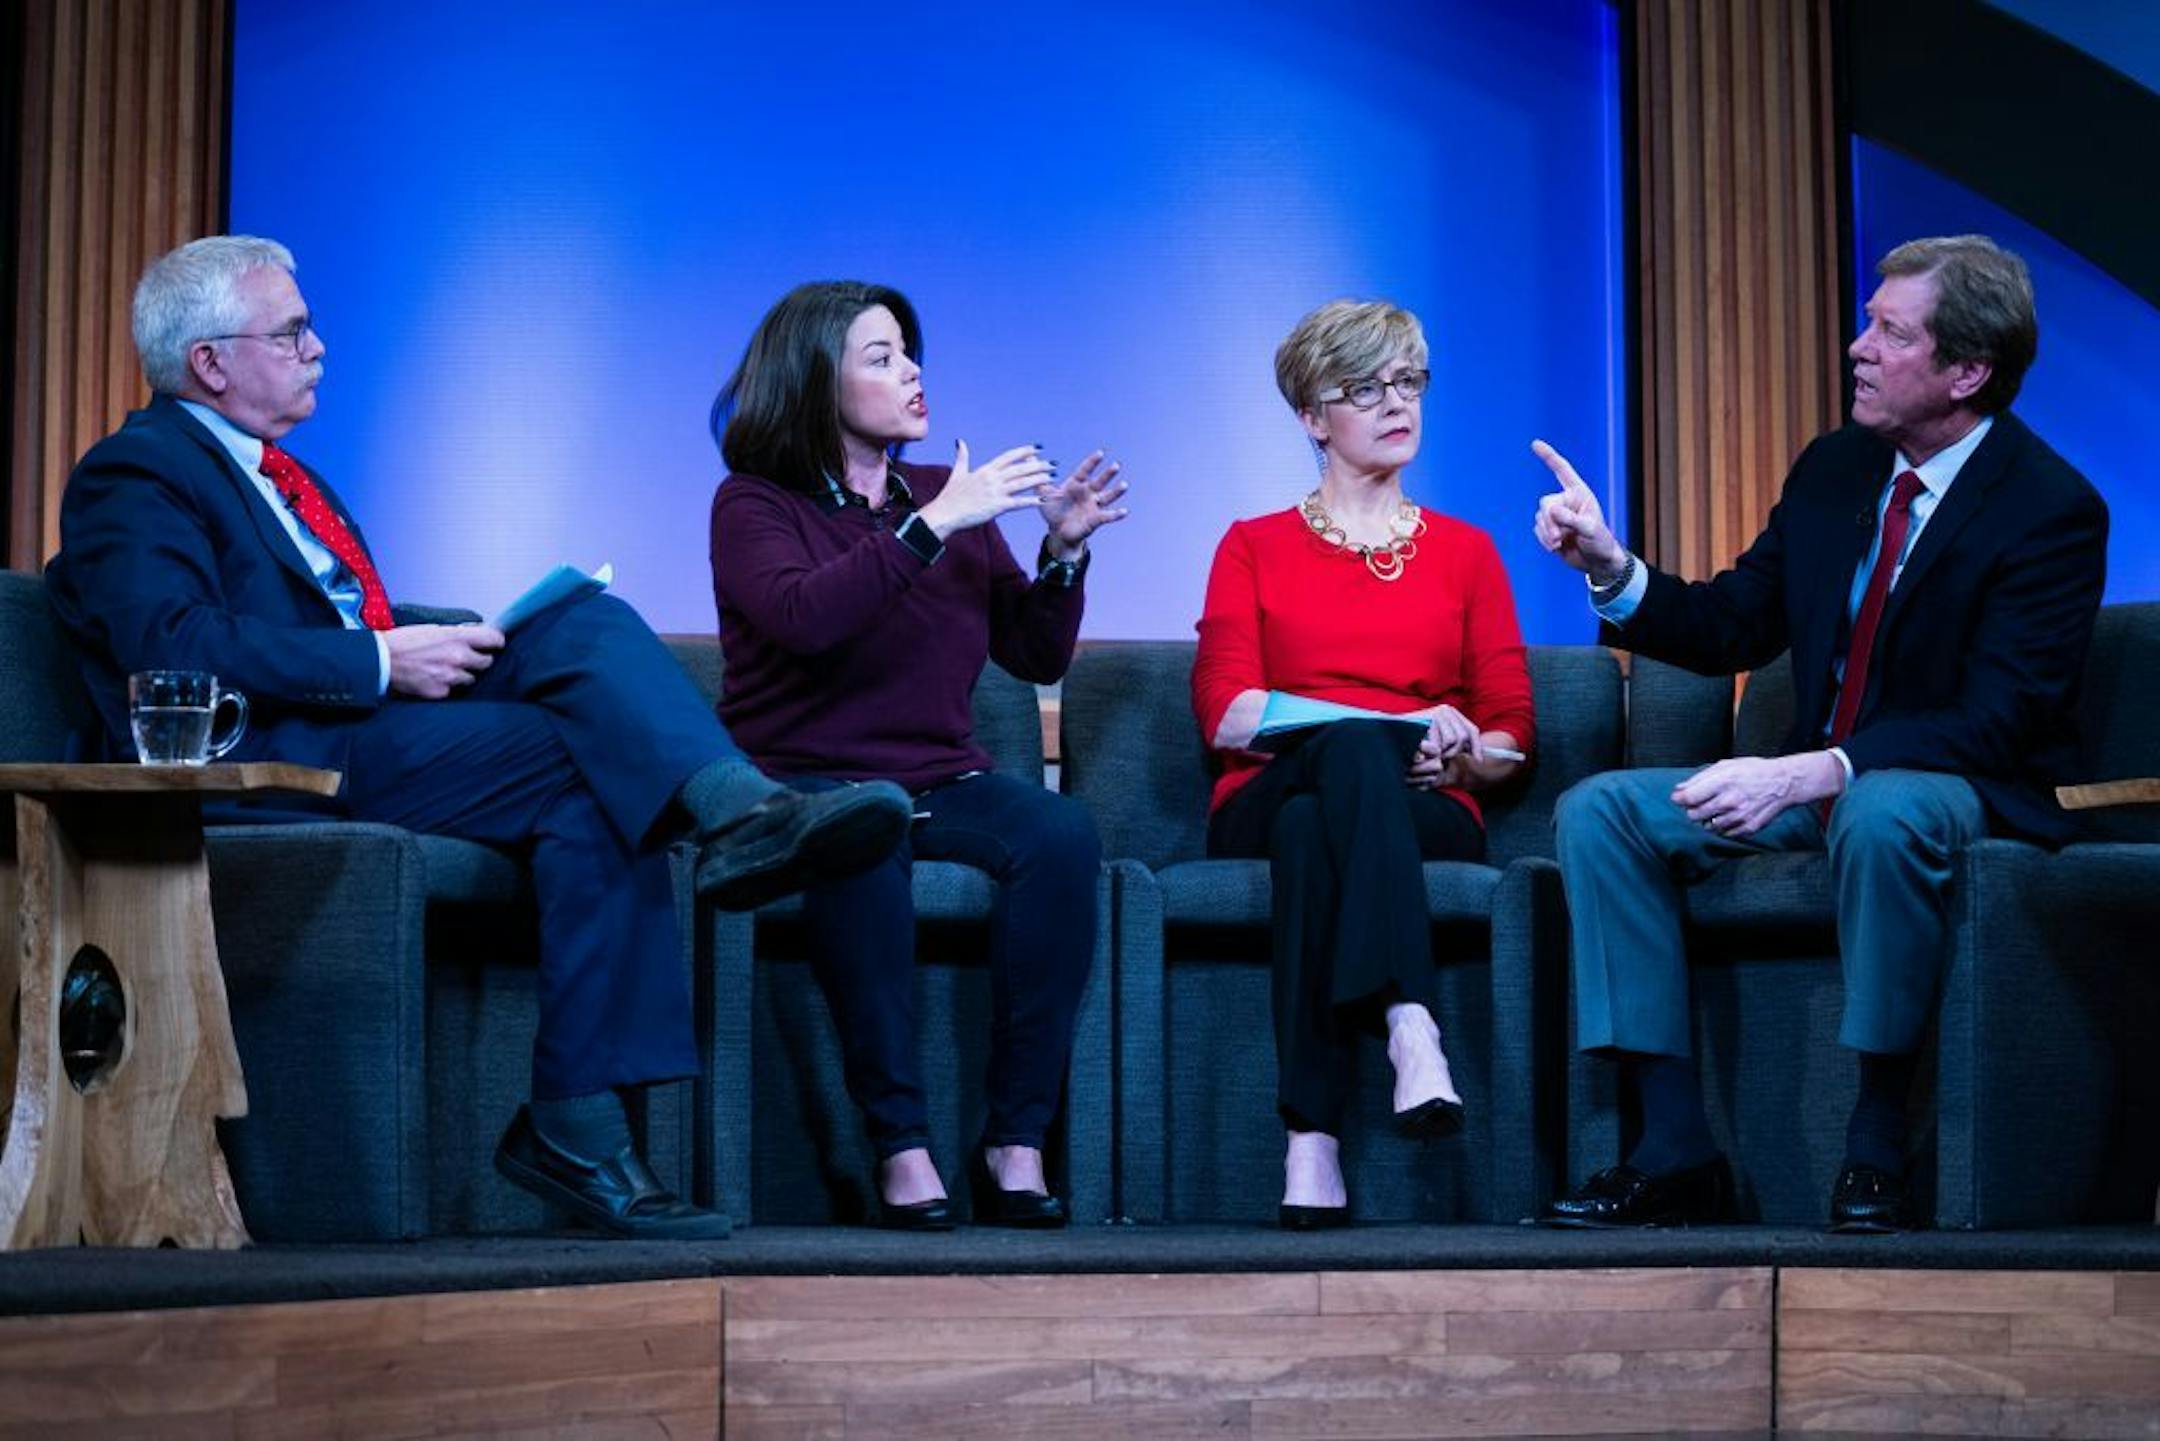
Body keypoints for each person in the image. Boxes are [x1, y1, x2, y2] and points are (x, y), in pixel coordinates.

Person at [46, 235, 916, 1241]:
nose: (319, 348)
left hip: (360, 723)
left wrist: (437, 648)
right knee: (587, 762)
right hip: (269, 756)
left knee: (579, 622)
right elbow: (171, 640)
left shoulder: (289, 479)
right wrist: (382, 662)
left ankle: (735, 814)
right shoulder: (137, 471)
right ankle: (584, 1114)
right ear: (209, 362)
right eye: (291, 332)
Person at [1530, 234, 2108, 1232]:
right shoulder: (1838, 466)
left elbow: (1996, 719)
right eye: (1867, 323)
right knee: (1603, 813)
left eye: (1889, 331)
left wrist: (1815, 770)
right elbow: (1732, 622)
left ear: (1968, 370)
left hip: (1958, 791)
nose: (1857, 347)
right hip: (1813, 785)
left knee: (1881, 810)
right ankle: (1673, 1148)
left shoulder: (2052, 510)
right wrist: (1611, 563)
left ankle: (1877, 1139)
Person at [708, 281, 1127, 1229]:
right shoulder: (753, 505)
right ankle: (900, 1144)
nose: (913, 372)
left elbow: (1034, 652)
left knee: (1059, 832)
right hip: (806, 782)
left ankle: (1015, 1141)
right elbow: (807, 620)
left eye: (910, 352)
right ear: (817, 381)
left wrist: (1061, 553)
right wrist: (934, 525)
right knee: (866, 832)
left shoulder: (947, 493)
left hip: (945, 773)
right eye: (882, 356)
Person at [1192, 298, 1535, 1229]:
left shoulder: (1465, 553)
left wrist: (1462, 754)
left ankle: (1312, 1140)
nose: (1398, 404)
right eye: (1366, 388)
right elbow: (1229, 717)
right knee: (1339, 760)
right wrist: (1391, 722)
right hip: (1261, 792)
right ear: (1312, 416)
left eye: (1410, 383)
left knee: (1317, 830)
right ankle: (1409, 1020)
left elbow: (1511, 734)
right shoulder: (1253, 545)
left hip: (1422, 801)